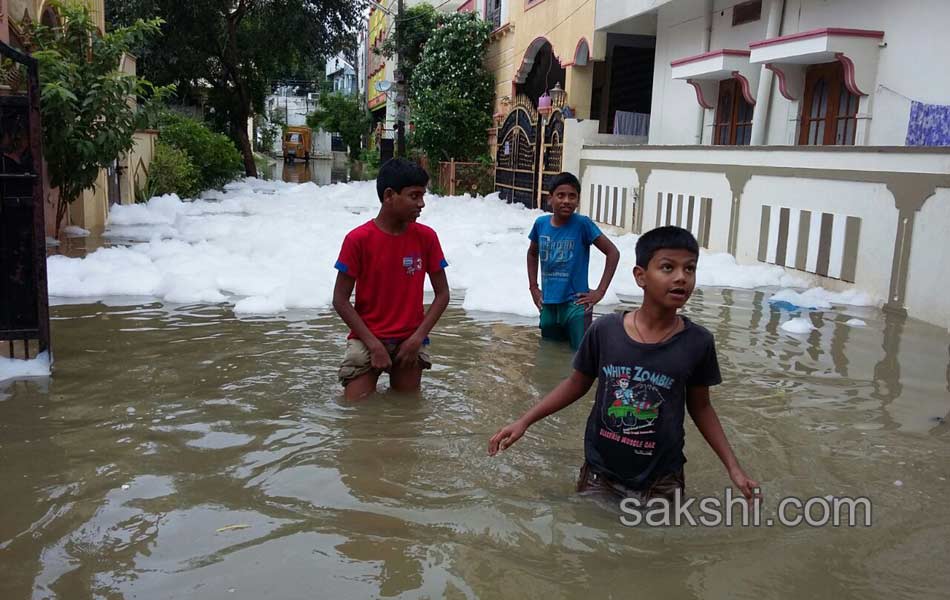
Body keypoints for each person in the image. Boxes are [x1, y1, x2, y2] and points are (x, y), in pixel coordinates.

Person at [491, 226, 759, 504]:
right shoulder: (606, 331)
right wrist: (524, 421)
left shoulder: (697, 342)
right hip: (600, 474)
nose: (681, 277)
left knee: (653, 545)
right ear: (640, 276)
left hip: (662, 481)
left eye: (689, 269)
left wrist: (733, 468)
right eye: (668, 268)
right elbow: (576, 384)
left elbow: (701, 406)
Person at [332, 158, 450, 400]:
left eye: (423, 196)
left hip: (410, 339)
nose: (422, 204)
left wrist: (417, 339)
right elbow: (340, 300)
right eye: (414, 196)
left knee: (407, 410)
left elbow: (443, 294)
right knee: (356, 413)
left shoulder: (427, 238)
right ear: (389, 196)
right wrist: (374, 345)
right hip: (367, 339)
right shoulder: (358, 240)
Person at [528, 172, 620, 351]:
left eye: (572, 196)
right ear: (550, 199)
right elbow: (532, 254)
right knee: (549, 355)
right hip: (548, 304)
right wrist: (533, 287)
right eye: (560, 195)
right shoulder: (541, 224)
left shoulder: (582, 224)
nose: (566, 201)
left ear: (578, 200)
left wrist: (600, 292)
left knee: (580, 357)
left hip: (576, 307)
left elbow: (612, 253)